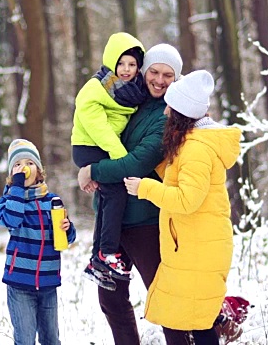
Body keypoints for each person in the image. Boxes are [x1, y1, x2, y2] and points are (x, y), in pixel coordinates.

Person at [77, 43, 189, 344]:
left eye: (168, 75)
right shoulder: (130, 99)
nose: (160, 80)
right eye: (154, 71)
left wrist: (92, 171)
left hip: (144, 221)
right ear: (143, 71)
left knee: (163, 297)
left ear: (176, 79)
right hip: (112, 220)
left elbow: (137, 163)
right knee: (111, 300)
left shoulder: (169, 116)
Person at [123, 70, 241, 345]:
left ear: (182, 113)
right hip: (196, 245)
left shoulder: (196, 149)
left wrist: (145, 189)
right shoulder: (193, 145)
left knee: (199, 323)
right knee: (195, 319)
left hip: (199, 248)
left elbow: (188, 199)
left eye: (170, 106)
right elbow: (183, 176)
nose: (164, 112)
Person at [71, 32, 149, 286]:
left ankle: (97, 258)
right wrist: (120, 157)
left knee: (107, 196)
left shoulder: (132, 90)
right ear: (111, 61)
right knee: (115, 193)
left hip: (104, 147)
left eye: (132, 64)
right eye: (122, 63)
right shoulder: (96, 88)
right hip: (90, 146)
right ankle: (106, 252)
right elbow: (99, 128)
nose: (126, 69)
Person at [0, 138, 77, 345]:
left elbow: (66, 239)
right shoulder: (8, 201)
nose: (24, 168)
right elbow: (11, 220)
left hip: (48, 281)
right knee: (25, 339)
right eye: (17, 164)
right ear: (11, 174)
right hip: (20, 283)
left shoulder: (52, 200)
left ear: (40, 170)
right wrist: (17, 188)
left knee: (51, 339)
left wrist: (68, 229)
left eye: (30, 163)